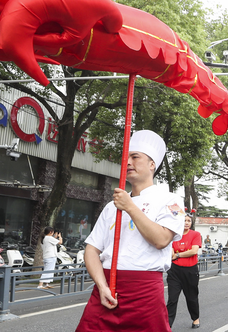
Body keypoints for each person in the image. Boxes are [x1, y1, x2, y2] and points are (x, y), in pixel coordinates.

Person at [75, 130, 185, 332]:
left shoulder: (170, 201)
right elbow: (91, 249)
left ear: (152, 164)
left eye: (135, 157)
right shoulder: (112, 206)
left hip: (144, 292)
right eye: (126, 157)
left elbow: (161, 240)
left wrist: (130, 207)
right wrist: (101, 286)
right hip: (108, 288)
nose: (128, 162)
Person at [167, 213, 202, 328]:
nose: (186, 222)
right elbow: (170, 251)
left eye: (189, 221)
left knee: (191, 297)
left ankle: (195, 318)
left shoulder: (196, 234)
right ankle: (167, 324)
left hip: (190, 271)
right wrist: (176, 255)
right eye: (184, 220)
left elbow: (193, 251)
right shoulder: (174, 235)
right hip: (174, 271)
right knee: (172, 299)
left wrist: (177, 255)